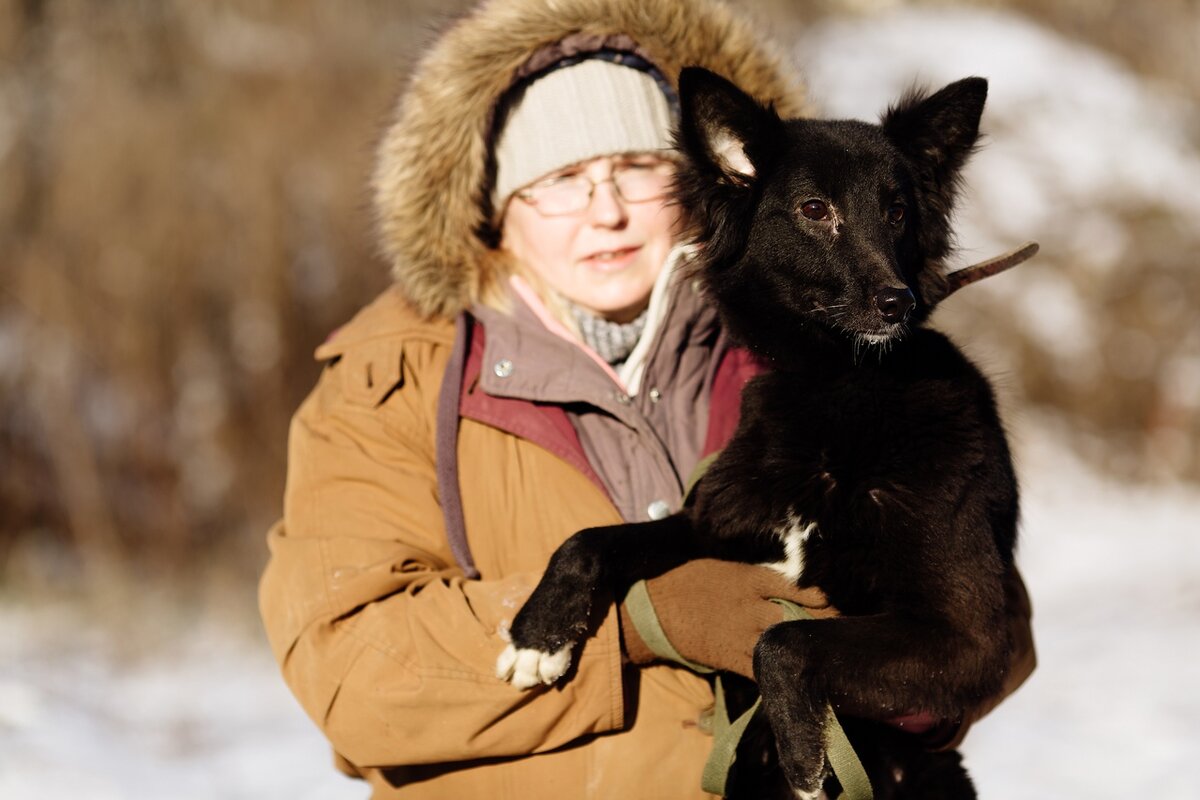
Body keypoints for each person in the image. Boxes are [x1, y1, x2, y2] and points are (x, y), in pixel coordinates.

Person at [258, 1, 1036, 798]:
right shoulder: (387, 384)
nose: (608, 211)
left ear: (702, 180)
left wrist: (896, 700)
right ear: (493, 209)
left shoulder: (804, 340)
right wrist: (637, 620)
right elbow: (351, 675)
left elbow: (992, 629)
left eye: (634, 168)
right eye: (560, 180)